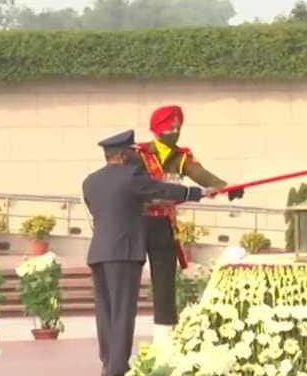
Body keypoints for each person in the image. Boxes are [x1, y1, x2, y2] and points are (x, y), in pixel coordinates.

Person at [82, 129, 213, 376]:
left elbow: (102, 208)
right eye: (131, 152)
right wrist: (197, 192)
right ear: (122, 156)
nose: (135, 155)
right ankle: (117, 369)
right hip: (124, 252)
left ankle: (107, 362)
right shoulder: (131, 176)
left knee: (106, 311)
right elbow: (162, 190)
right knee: (123, 310)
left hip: (99, 251)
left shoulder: (90, 181)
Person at [134, 105, 244, 348]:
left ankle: (164, 337)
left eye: (177, 127)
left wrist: (225, 187)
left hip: (163, 223)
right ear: (157, 130)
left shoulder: (181, 157)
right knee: (129, 280)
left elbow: (201, 176)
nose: (174, 131)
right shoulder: (138, 154)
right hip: (135, 223)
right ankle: (121, 336)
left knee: (164, 281)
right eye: (169, 127)